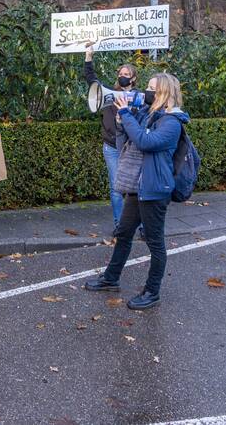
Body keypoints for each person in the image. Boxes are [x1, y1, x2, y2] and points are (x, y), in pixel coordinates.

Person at [83, 73, 189, 310]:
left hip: (154, 189)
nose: (146, 93)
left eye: (152, 89)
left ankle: (152, 292)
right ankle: (111, 278)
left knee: (155, 242)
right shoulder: (151, 115)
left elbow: (145, 142)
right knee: (124, 232)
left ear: (164, 93)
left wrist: (125, 115)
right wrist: (122, 124)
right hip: (137, 185)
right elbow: (129, 141)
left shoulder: (172, 122)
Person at [83, 44, 139, 230]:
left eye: (126, 74)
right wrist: (88, 57)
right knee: (116, 189)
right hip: (112, 147)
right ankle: (119, 226)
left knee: (136, 187)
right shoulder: (109, 94)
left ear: (133, 79)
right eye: (120, 73)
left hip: (132, 148)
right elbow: (91, 79)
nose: (121, 76)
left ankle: (140, 226)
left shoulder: (138, 98)